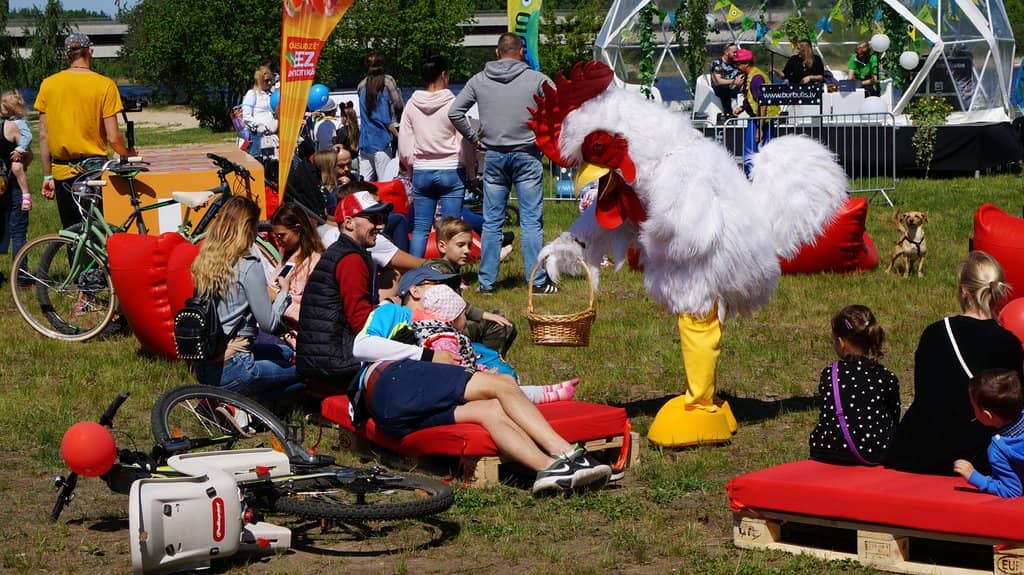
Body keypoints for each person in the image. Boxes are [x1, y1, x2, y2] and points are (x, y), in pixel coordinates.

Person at [351, 268, 613, 494]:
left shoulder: (448, 331)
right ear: (416, 291)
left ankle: (549, 469)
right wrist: (427, 355)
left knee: (491, 409)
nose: (450, 290)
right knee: (499, 386)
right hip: (389, 380)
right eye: (440, 284)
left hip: (404, 415)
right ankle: (569, 453)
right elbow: (361, 346)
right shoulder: (394, 313)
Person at [885, 251, 1024, 475]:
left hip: (921, 452)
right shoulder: (1008, 344)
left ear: (964, 291)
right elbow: (1012, 407)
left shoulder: (935, 333)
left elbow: (925, 395)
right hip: (979, 459)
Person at [449, 33, 557, 295]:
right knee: (531, 222)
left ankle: (486, 283)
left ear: (498, 53)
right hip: (527, 154)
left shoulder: (479, 80)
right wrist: (545, 137)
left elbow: (455, 112)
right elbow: (560, 107)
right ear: (522, 52)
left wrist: (474, 138)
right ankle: (538, 281)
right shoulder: (537, 80)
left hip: (494, 155)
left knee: (492, 222)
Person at [190, 196, 303, 400]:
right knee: (305, 373)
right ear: (247, 227)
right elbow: (269, 324)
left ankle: (231, 402)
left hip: (204, 366)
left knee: (284, 354)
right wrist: (283, 294)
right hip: (235, 367)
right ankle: (247, 406)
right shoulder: (248, 264)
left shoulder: (205, 261)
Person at [412, 283, 578, 404]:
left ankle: (546, 391)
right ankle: (544, 395)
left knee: (504, 382)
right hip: (461, 393)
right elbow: (454, 372)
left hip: (466, 383)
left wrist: (480, 372)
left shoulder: (440, 334)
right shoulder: (443, 341)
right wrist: (482, 377)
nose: (466, 317)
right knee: (505, 390)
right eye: (463, 314)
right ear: (452, 317)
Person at [36, 32, 136, 230]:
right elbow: (113, 137)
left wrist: (47, 176)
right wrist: (127, 153)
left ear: (67, 55)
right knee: (97, 230)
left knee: (72, 232)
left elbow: (43, 135)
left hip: (61, 171)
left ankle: (77, 260)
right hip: (94, 172)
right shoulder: (104, 85)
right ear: (90, 52)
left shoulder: (48, 84)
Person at [399, 52, 475, 258]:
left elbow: (405, 144)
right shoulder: (455, 104)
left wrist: (410, 167)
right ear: (444, 75)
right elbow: (465, 140)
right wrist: (470, 169)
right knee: (451, 227)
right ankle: (450, 273)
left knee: (420, 228)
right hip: (451, 169)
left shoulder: (411, 105)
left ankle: (416, 273)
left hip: (422, 170)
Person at [808, 305, 900, 466]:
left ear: (840, 342)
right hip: (875, 451)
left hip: (829, 449)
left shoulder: (830, 374)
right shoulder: (886, 377)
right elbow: (894, 415)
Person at [423, 216, 517, 356]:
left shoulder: (445, 267)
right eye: (460, 245)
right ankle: (486, 361)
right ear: (442, 246)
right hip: (441, 331)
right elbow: (449, 305)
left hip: (446, 325)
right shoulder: (440, 272)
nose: (467, 251)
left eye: (469, 245)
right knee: (502, 326)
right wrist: (483, 315)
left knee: (497, 315)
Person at [954, 369, 1024, 497]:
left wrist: (974, 476)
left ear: (987, 416)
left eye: (973, 407)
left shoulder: (999, 450)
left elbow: (1012, 491)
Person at [268, 202, 325, 348]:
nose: (278, 241)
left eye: (282, 236)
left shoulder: (315, 262)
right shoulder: (289, 258)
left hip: (299, 340)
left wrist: (279, 299)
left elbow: (315, 313)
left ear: (298, 229)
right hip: (280, 333)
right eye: (276, 236)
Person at [732, 49, 779, 175]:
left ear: (746, 63)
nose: (736, 66)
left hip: (762, 121)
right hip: (757, 119)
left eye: (738, 63)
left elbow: (762, 103)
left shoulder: (756, 78)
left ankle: (755, 181)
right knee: (752, 154)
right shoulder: (750, 75)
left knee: (754, 155)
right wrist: (742, 107)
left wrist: (760, 127)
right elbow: (752, 98)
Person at [357, 52, 403, 181]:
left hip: (365, 141)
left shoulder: (361, 86)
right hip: (383, 139)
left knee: (364, 183)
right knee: (385, 182)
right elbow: (397, 105)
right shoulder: (387, 81)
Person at [1, 91, 33, 213]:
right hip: (17, 152)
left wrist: (20, 149)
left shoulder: (20, 122)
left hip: (21, 152)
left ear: (10, 109)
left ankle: (26, 196)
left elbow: (28, 137)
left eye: (2, 107)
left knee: (17, 168)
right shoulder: (11, 120)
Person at [241, 65, 279, 158]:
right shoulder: (252, 94)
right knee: (257, 162)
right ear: (259, 80)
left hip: (271, 135)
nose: (270, 83)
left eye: (271, 80)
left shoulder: (270, 95)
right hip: (257, 135)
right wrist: (258, 125)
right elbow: (246, 116)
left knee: (272, 163)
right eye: (266, 80)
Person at [709, 43, 744, 120]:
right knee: (724, 89)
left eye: (736, 52)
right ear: (726, 52)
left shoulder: (736, 64)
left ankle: (745, 112)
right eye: (734, 52)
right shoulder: (717, 63)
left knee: (748, 88)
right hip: (720, 88)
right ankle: (728, 114)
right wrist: (734, 81)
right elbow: (718, 81)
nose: (736, 54)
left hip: (734, 87)